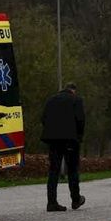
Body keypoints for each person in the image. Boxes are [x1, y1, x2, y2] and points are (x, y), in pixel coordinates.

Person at [41, 82, 86, 212]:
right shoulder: (76, 100)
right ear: (73, 91)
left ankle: (52, 202)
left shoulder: (51, 100)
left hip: (53, 140)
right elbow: (81, 120)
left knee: (53, 170)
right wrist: (79, 137)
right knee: (72, 169)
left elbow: (43, 118)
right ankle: (76, 199)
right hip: (70, 140)